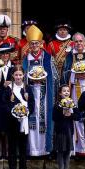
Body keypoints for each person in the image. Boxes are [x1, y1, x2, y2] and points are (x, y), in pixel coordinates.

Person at [21, 26, 55, 158]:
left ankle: (46, 150)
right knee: (32, 120)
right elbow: (22, 75)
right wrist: (28, 81)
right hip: (30, 94)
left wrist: (44, 80)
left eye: (36, 43)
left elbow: (55, 77)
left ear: (41, 44)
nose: (34, 46)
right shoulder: (26, 59)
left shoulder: (48, 58)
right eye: (32, 44)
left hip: (44, 94)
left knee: (44, 120)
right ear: (29, 45)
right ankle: (33, 150)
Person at [64, 33, 85, 155]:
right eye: (76, 41)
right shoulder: (70, 55)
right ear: (73, 43)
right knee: (77, 117)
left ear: (84, 42)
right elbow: (66, 72)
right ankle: (79, 148)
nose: (78, 44)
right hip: (76, 88)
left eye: (80, 41)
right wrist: (75, 75)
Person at [3, 68, 31, 169]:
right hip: (12, 123)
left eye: (20, 75)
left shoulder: (27, 88)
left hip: (24, 122)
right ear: (13, 76)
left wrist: (25, 112)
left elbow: (32, 103)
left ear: (23, 75)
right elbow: (4, 104)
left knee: (23, 150)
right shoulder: (8, 89)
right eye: (16, 75)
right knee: (12, 150)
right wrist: (14, 113)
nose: (18, 77)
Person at [53, 85, 76, 169]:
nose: (66, 92)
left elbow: (78, 116)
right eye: (64, 91)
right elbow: (54, 117)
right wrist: (62, 112)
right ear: (60, 93)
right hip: (60, 131)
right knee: (61, 152)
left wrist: (71, 114)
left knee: (67, 152)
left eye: (68, 91)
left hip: (69, 131)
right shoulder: (57, 105)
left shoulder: (72, 104)